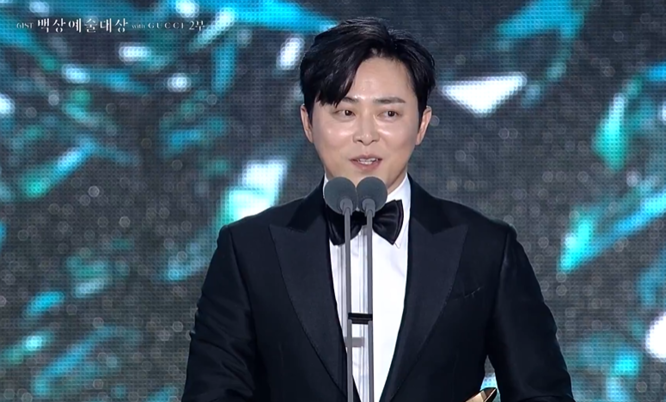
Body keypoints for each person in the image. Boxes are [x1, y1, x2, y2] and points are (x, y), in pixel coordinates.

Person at [181, 16, 575, 402]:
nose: (366, 135)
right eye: (345, 112)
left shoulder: (486, 248)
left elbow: (543, 394)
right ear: (308, 122)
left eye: (389, 113)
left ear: (422, 124)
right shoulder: (249, 250)